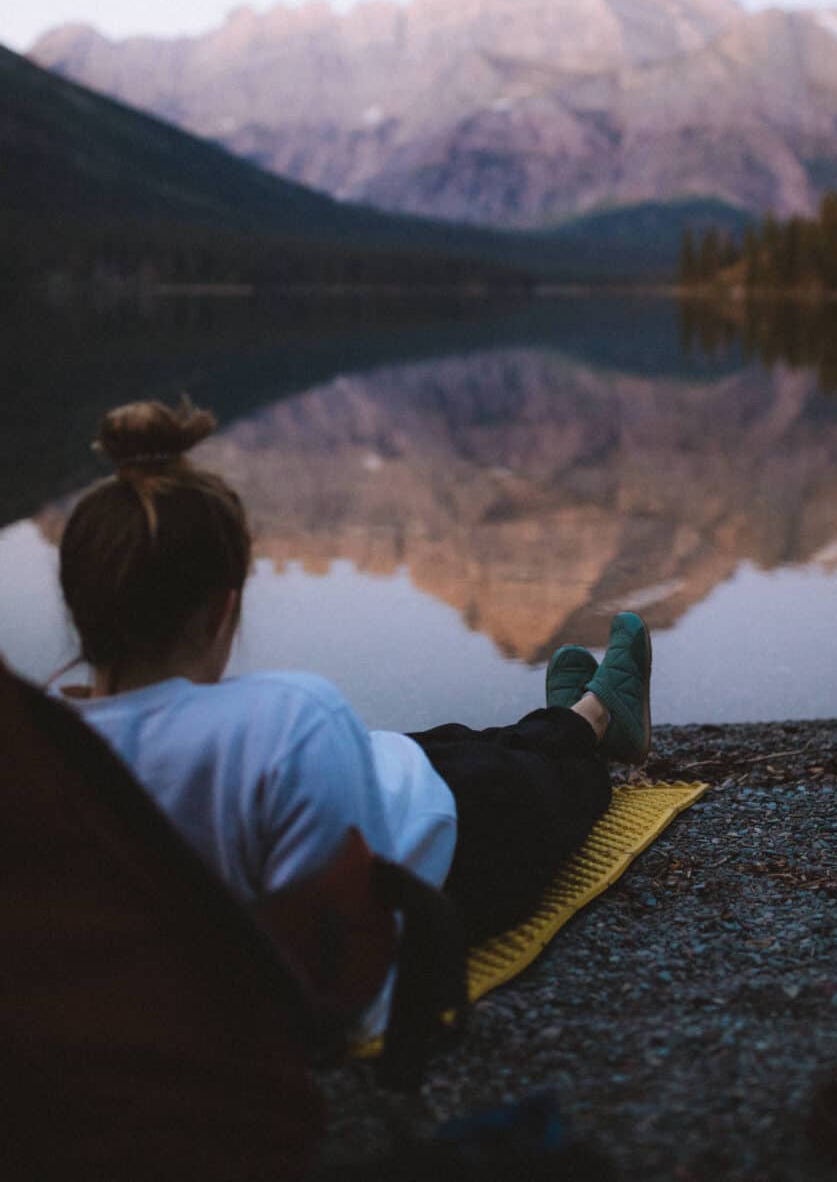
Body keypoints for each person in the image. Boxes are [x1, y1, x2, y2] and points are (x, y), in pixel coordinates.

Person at [51, 398, 653, 1031]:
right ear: (221, 612)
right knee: (542, 785)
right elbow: (344, 958)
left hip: (388, 775)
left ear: (78, 605)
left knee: (459, 746)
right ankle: (597, 719)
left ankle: (577, 719)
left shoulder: (49, 752)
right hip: (442, 840)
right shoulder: (287, 715)